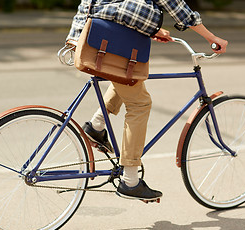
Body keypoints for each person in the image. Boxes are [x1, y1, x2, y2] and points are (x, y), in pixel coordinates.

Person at [65, 0, 228, 202]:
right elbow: (177, 8)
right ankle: (130, 181)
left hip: (86, 34)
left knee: (128, 75)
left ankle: (96, 126)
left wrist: (154, 29)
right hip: (100, 37)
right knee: (140, 104)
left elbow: (117, 5)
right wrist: (212, 38)